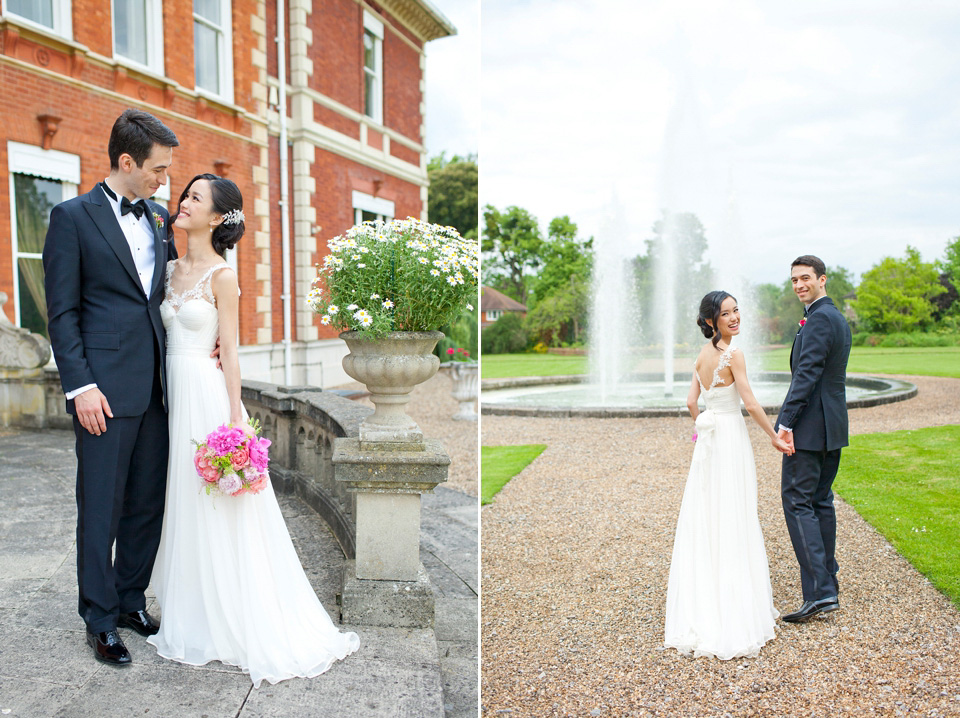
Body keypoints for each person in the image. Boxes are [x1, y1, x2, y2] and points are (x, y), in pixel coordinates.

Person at [146, 173, 359, 687]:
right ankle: (187, 605)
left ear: (218, 217)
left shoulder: (223, 276)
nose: (184, 202)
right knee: (180, 497)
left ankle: (231, 615)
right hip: (169, 395)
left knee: (217, 500)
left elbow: (232, 354)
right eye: (185, 194)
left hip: (206, 393)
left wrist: (235, 420)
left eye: (196, 198)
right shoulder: (168, 267)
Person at [43, 109, 179, 666]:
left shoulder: (160, 218)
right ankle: (99, 620)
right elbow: (62, 312)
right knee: (101, 507)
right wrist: (82, 387)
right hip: (102, 391)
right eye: (158, 169)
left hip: (158, 388)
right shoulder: (71, 217)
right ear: (127, 162)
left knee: (147, 504)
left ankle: (129, 600)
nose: (165, 180)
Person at [664, 290, 791, 659]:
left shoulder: (701, 357)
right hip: (731, 438)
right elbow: (749, 402)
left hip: (710, 441)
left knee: (708, 514)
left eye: (737, 311)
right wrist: (774, 437)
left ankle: (706, 602)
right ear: (710, 321)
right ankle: (735, 610)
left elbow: (691, 402)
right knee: (734, 513)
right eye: (726, 313)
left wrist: (701, 429)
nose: (734, 317)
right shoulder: (733, 354)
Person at [776, 255, 852, 623]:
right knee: (820, 501)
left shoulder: (820, 318)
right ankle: (828, 588)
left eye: (805, 278)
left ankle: (820, 592)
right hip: (832, 426)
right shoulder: (835, 317)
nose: (798, 285)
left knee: (797, 500)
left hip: (809, 428)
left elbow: (806, 375)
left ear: (822, 279)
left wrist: (786, 423)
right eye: (793, 280)